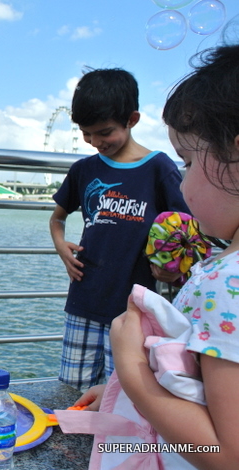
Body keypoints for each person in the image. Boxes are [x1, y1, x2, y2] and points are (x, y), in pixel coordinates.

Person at [76, 44, 239, 468]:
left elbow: (224, 453)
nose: (181, 184)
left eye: (186, 162)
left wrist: (132, 370)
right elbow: (197, 385)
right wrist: (124, 392)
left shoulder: (226, 285)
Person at [49, 67, 189, 392]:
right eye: (87, 133)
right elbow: (57, 217)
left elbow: (188, 227)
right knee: (71, 391)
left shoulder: (159, 168)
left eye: (105, 132)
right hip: (83, 301)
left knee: (126, 392)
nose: (96, 142)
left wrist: (172, 269)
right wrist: (60, 244)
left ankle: (115, 446)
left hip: (134, 311)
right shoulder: (84, 169)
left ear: (133, 119)